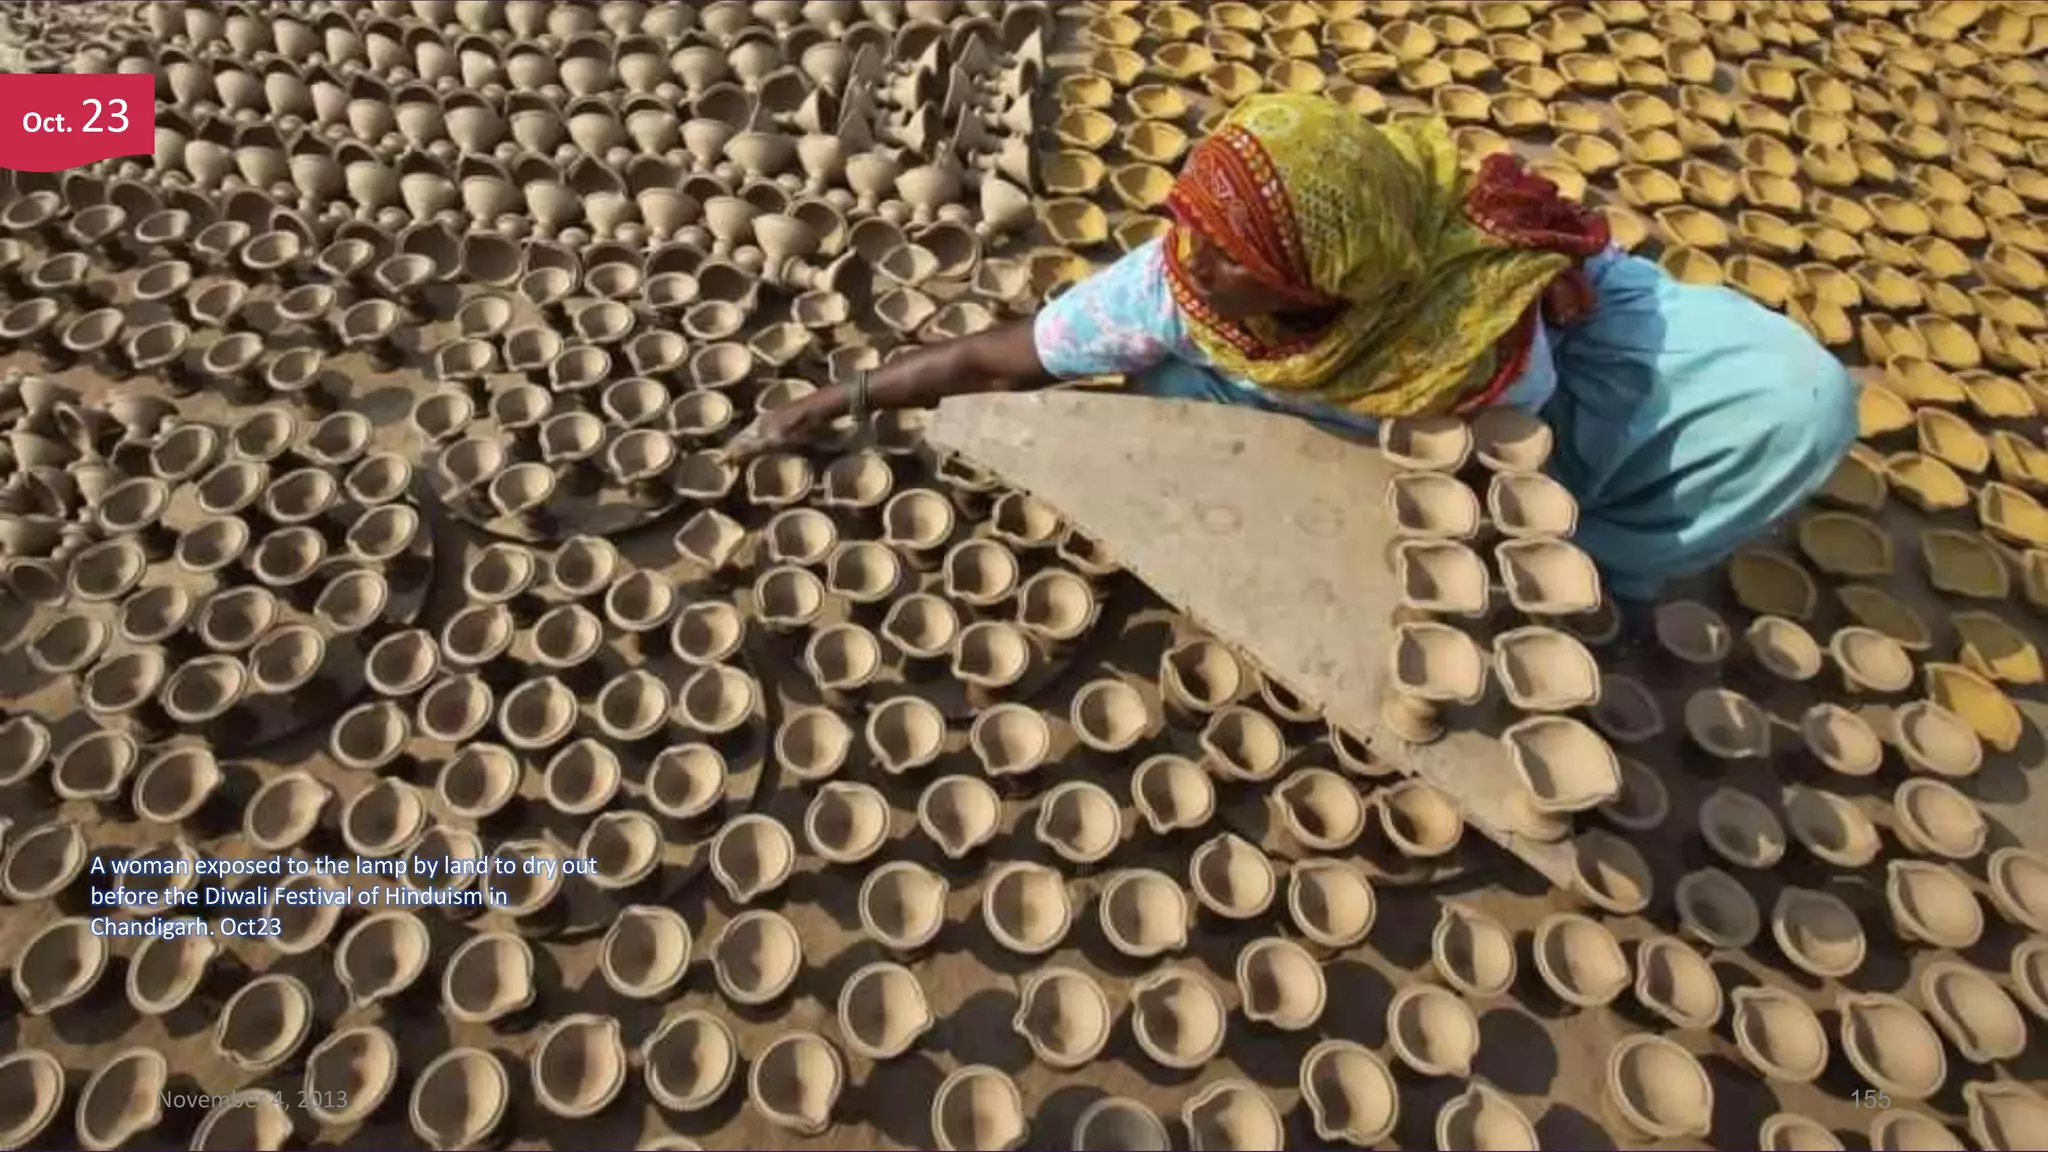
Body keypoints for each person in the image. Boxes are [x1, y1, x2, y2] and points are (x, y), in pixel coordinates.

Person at [728, 95, 1858, 612]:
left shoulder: (1469, 315)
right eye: (1191, 232)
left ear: (1329, 278)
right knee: (1161, 398)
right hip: (1379, 395)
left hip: (1502, 400)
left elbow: (1493, 446)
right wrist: (846, 394)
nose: (1191, 264)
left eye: (1229, 254)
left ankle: (1603, 561)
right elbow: (1005, 356)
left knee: (1795, 398)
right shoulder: (1177, 281)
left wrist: (1488, 528)